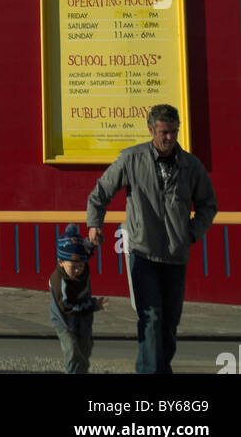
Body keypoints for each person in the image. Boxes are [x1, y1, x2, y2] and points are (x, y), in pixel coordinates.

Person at [86, 103, 218, 375]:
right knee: (151, 318)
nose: (169, 138)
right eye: (163, 132)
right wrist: (94, 224)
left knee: (170, 322)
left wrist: (191, 233)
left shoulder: (191, 166)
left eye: (173, 132)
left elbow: (208, 205)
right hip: (143, 253)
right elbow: (99, 194)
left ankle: (159, 368)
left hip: (176, 256)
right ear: (150, 130)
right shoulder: (131, 159)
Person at [48, 223, 107, 373]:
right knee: (73, 351)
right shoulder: (58, 281)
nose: (77, 270)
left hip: (83, 318)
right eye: (73, 267)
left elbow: (85, 249)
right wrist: (94, 305)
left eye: (80, 266)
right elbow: (68, 307)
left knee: (85, 348)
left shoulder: (79, 260)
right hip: (65, 320)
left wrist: (91, 241)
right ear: (61, 262)